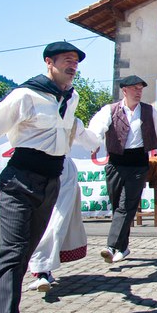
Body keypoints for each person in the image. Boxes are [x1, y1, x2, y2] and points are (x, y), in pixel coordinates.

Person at [0, 41, 85, 313]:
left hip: (50, 180)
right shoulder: (25, 96)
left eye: (75, 61)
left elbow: (72, 130)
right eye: (66, 60)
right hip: (19, 180)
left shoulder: (71, 98)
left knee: (27, 248)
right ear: (49, 62)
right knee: (13, 248)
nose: (72, 65)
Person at [88, 75, 157, 263]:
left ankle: (111, 246)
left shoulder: (149, 111)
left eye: (141, 88)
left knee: (126, 206)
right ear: (124, 90)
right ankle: (123, 247)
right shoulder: (110, 110)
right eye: (135, 88)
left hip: (138, 164)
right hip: (116, 163)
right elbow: (96, 129)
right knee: (118, 206)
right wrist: (93, 142)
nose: (139, 91)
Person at [27, 121, 100, 292]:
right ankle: (40, 268)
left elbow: (90, 139)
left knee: (56, 220)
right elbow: (90, 140)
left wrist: (95, 143)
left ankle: (42, 269)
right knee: (44, 219)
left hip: (59, 168)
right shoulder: (32, 113)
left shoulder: (69, 118)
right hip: (37, 167)